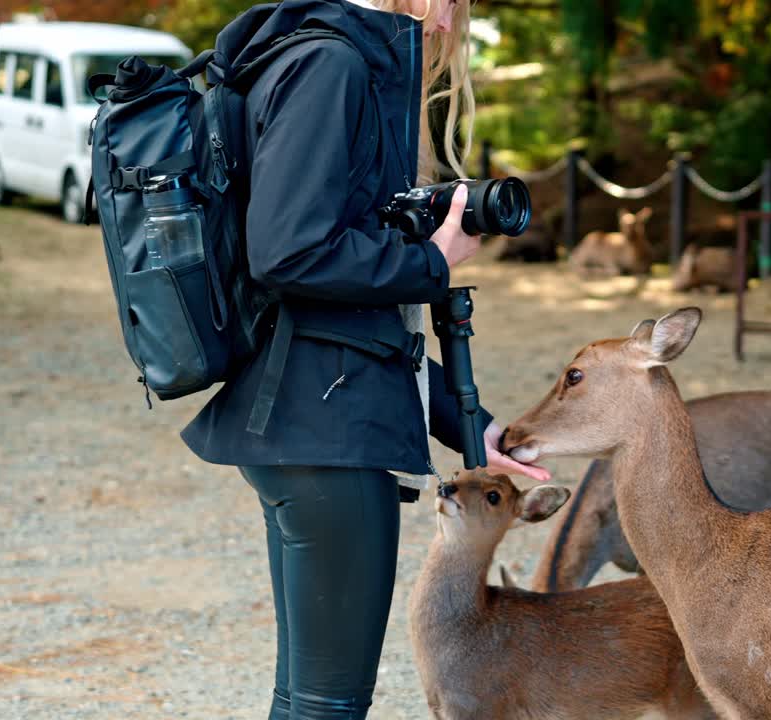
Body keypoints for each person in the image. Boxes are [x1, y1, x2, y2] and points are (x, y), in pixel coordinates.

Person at [178, 0, 550, 718]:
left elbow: (356, 317)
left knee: (307, 701)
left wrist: (481, 429)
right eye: (449, 6)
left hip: (306, 418)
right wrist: (430, 263)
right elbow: (288, 249)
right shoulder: (334, 62)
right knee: (329, 706)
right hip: (328, 434)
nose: (445, 28)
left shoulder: (307, 55)